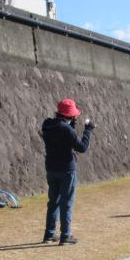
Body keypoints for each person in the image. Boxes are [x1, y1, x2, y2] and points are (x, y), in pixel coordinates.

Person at [41, 98, 95, 245]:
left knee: (53, 202)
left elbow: (60, 131)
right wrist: (88, 130)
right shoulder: (67, 129)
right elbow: (82, 147)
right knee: (67, 202)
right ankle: (65, 235)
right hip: (67, 169)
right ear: (69, 115)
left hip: (51, 168)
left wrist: (70, 124)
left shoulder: (47, 125)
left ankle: (49, 234)